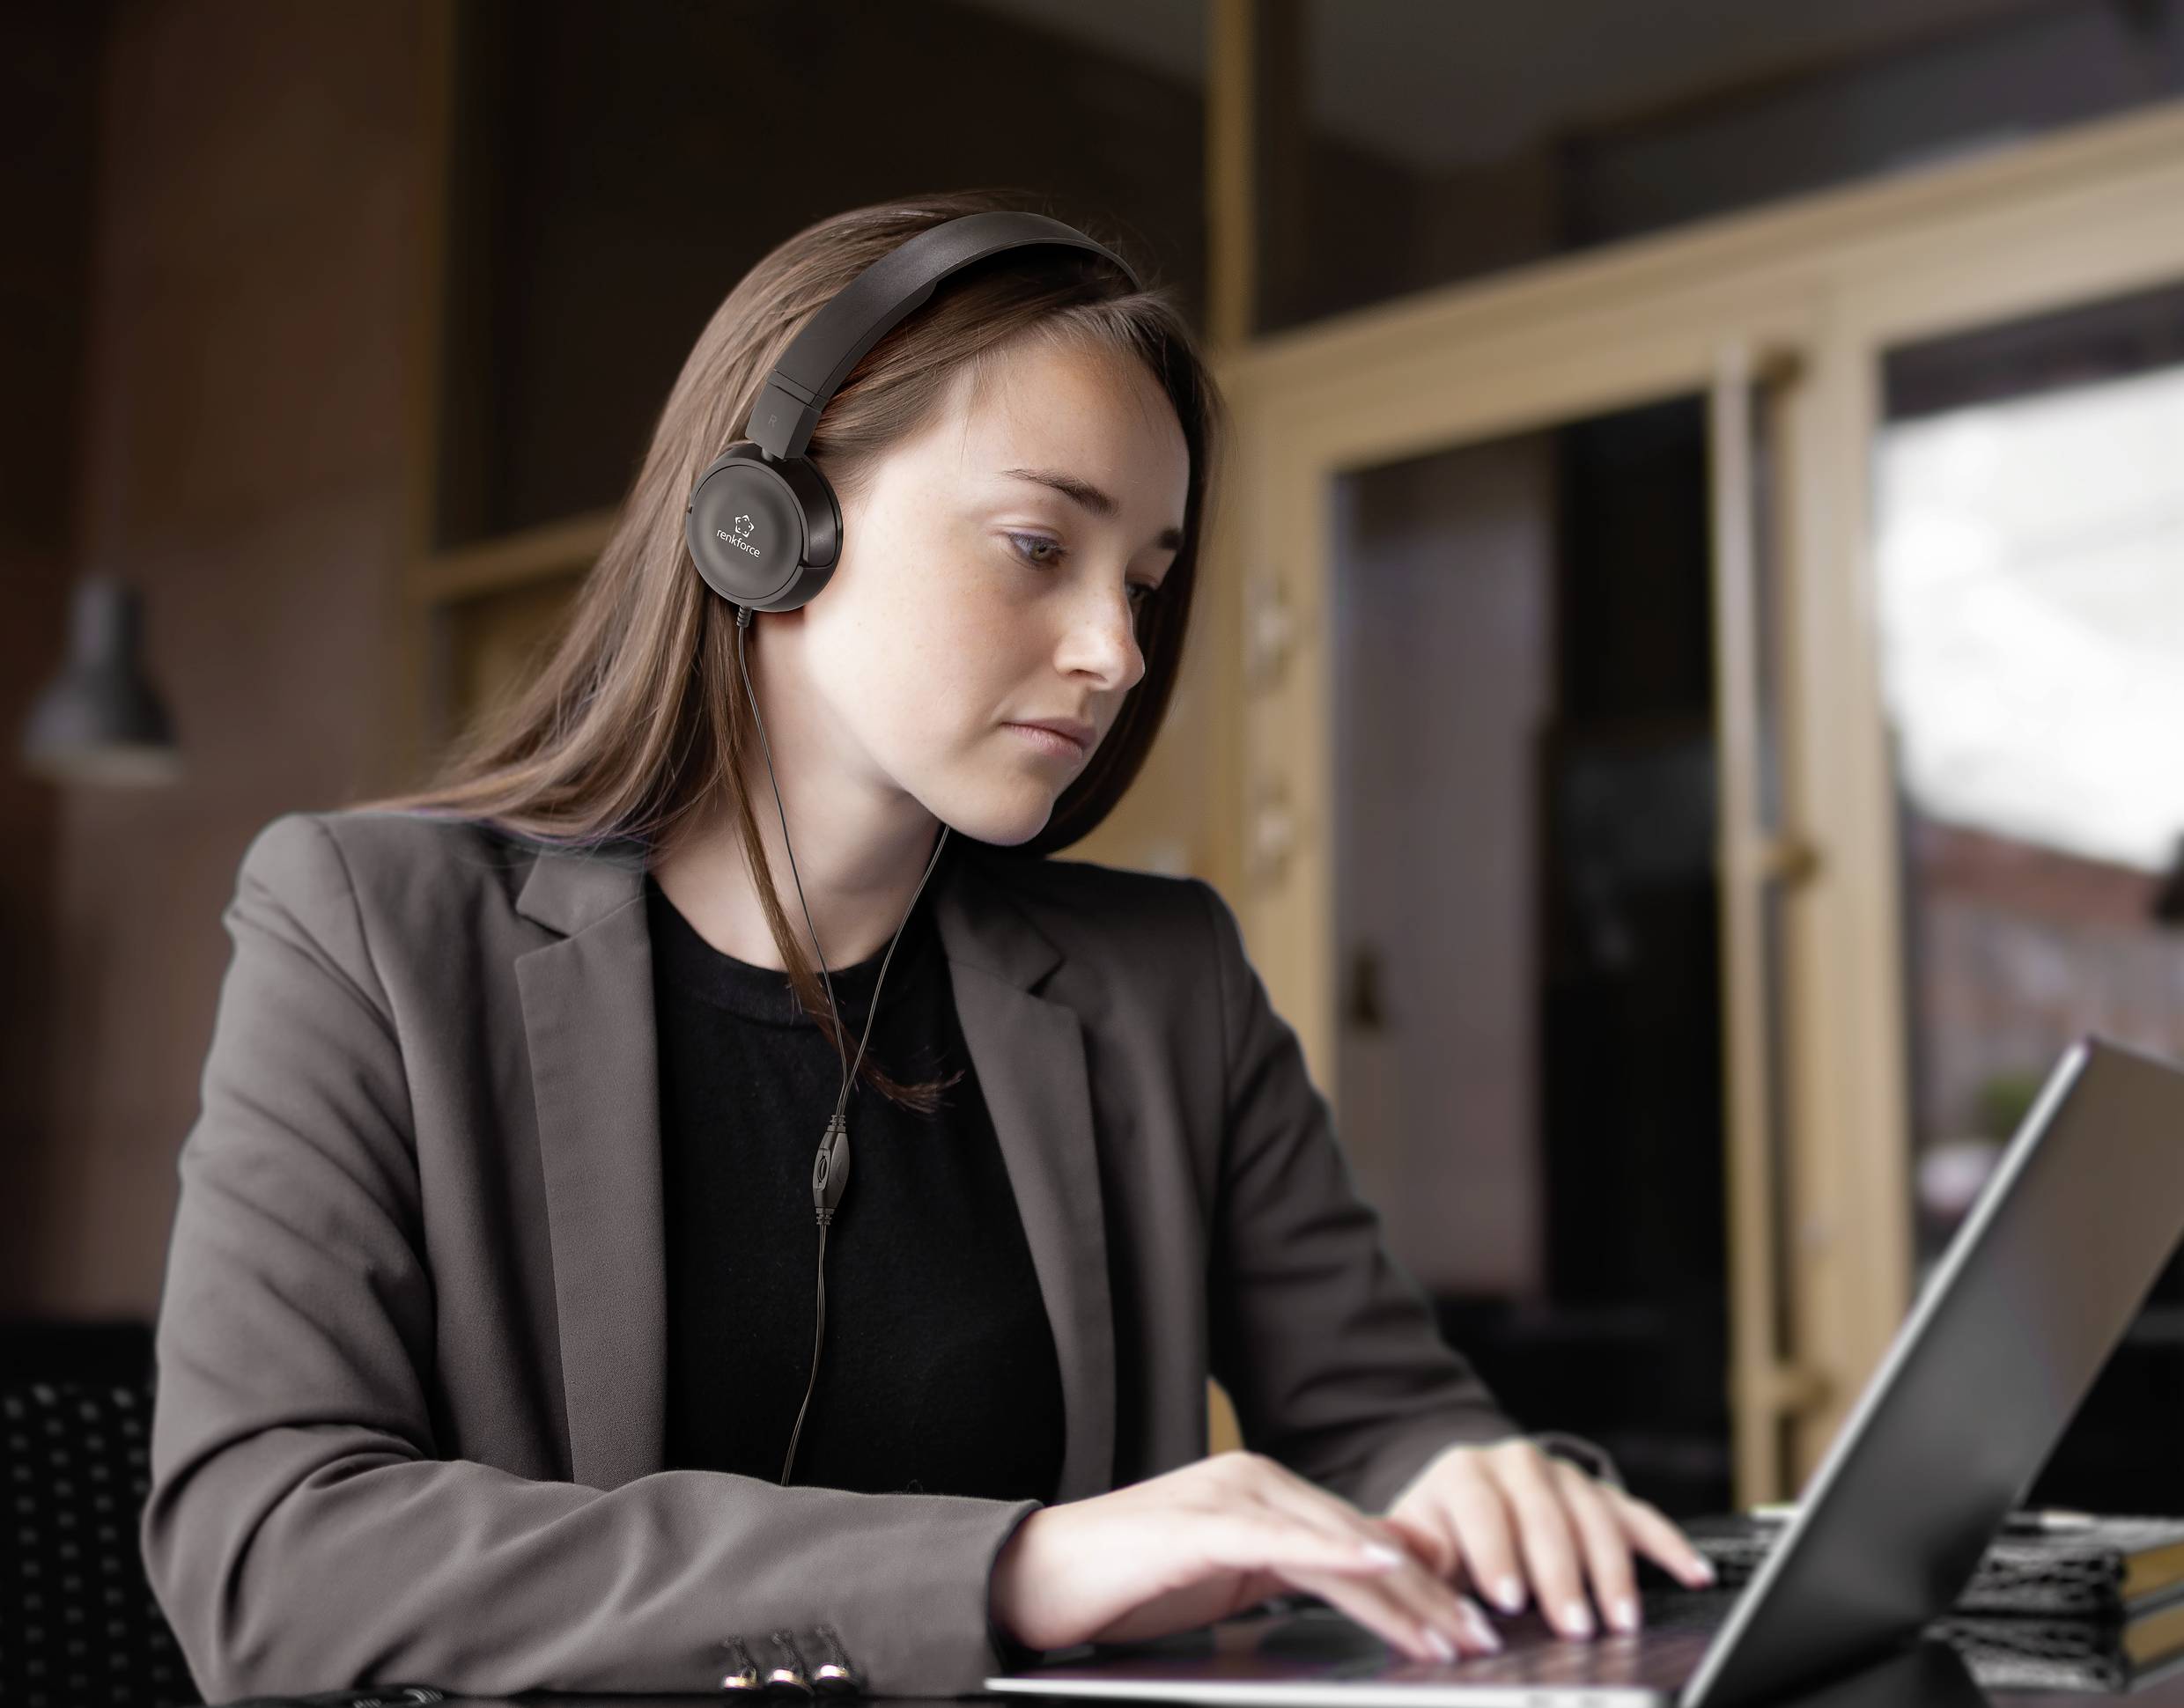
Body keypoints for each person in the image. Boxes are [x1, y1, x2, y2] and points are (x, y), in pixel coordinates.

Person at [141, 189, 1713, 1704]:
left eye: (1146, 583)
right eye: (1043, 547)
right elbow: (269, 1553)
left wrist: (1472, 1475)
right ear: (772, 529)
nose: (1115, 651)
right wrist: (1007, 1570)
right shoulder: (366, 924)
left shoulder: (1165, 983)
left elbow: (1379, 1410)